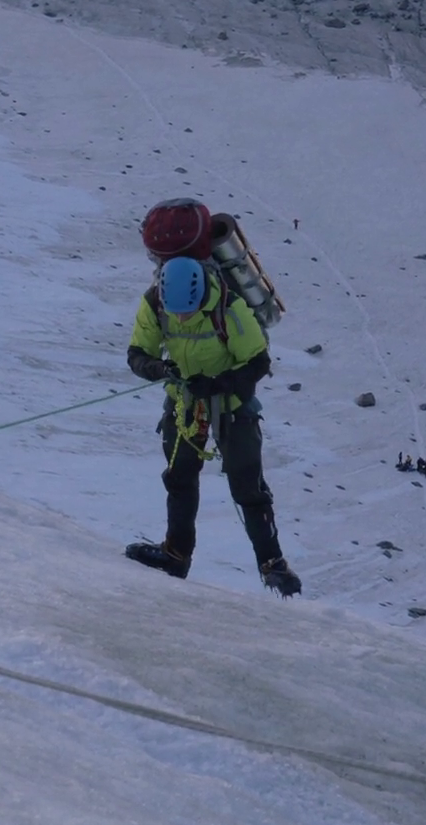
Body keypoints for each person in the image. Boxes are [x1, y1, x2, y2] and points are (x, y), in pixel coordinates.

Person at [125, 255, 302, 596]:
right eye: (175, 312)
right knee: (179, 478)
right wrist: (163, 369)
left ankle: (273, 563)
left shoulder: (229, 307)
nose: (180, 318)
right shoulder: (155, 304)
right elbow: (137, 355)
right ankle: (176, 555)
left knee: (247, 485)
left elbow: (258, 361)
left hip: (232, 405)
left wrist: (218, 384)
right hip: (184, 403)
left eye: (187, 312)